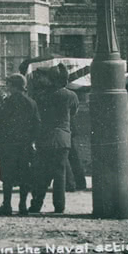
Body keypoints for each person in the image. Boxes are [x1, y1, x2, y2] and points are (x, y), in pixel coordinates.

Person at [30, 64, 79, 213]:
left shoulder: (42, 96)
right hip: (63, 138)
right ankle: (59, 206)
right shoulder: (71, 95)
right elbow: (73, 112)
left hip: (45, 137)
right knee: (60, 174)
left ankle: (36, 204)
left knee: (42, 174)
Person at [0, 73, 41, 216]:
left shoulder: (8, 103)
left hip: (9, 145)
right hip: (25, 145)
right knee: (25, 175)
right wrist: (31, 140)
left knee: (7, 176)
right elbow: (37, 125)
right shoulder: (31, 103)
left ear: (13, 86)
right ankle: (22, 205)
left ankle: (7, 205)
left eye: (8, 84)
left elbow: (0, 124)